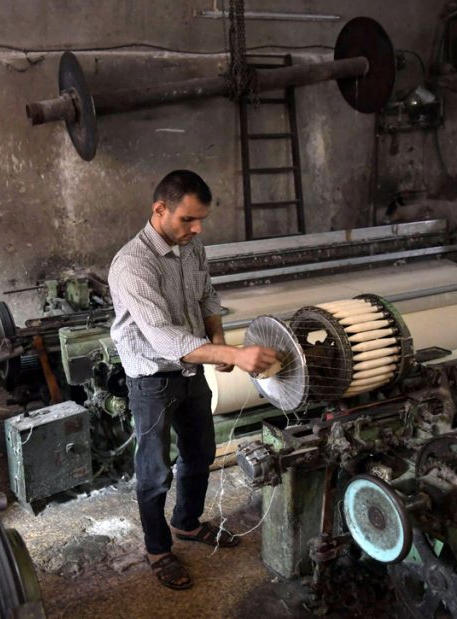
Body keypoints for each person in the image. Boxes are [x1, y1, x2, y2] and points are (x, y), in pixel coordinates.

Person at [108, 170, 277, 590]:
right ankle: (158, 549)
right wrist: (234, 355)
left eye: (201, 220)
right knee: (154, 470)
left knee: (200, 453)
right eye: (188, 219)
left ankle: (186, 522)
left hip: (190, 371)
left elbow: (207, 297)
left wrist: (218, 338)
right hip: (152, 378)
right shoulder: (133, 265)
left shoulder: (192, 246)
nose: (197, 228)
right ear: (159, 209)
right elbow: (166, 340)